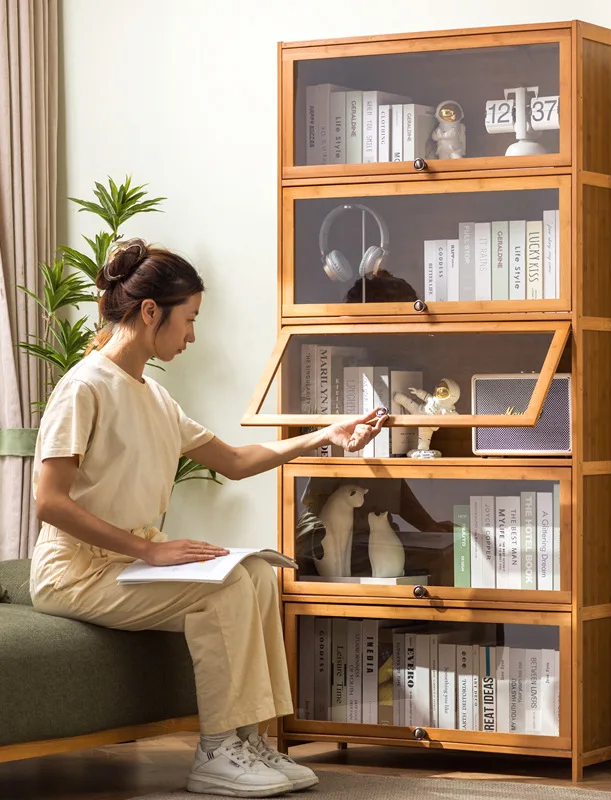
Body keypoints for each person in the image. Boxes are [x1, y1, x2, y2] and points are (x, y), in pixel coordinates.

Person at [30, 238, 386, 798]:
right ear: (151, 312)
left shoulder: (155, 397)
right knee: (218, 593)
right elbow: (48, 501)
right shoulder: (83, 387)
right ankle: (217, 751)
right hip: (75, 573)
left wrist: (326, 435)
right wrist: (150, 551)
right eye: (189, 320)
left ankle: (250, 740)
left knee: (256, 576)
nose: (193, 335)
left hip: (127, 563)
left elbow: (236, 461)